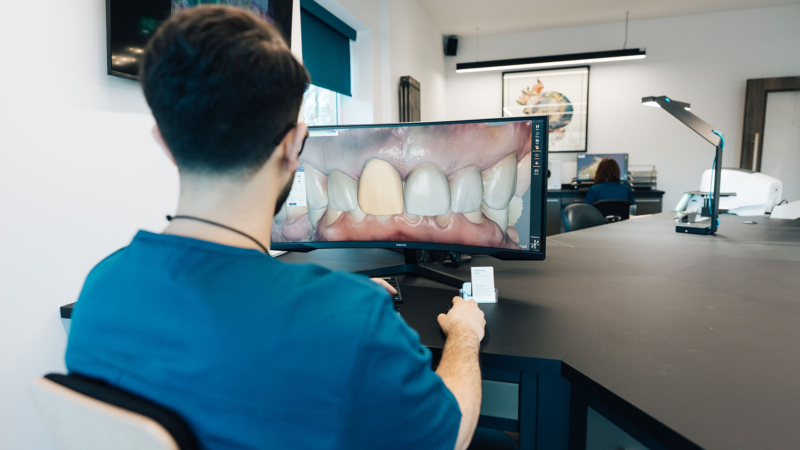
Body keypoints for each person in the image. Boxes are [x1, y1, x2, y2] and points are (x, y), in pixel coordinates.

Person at [65, 6, 485, 450]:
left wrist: (329, 297)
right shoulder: (350, 320)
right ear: (293, 144)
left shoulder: (100, 289)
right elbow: (451, 434)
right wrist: (465, 334)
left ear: (164, 142)